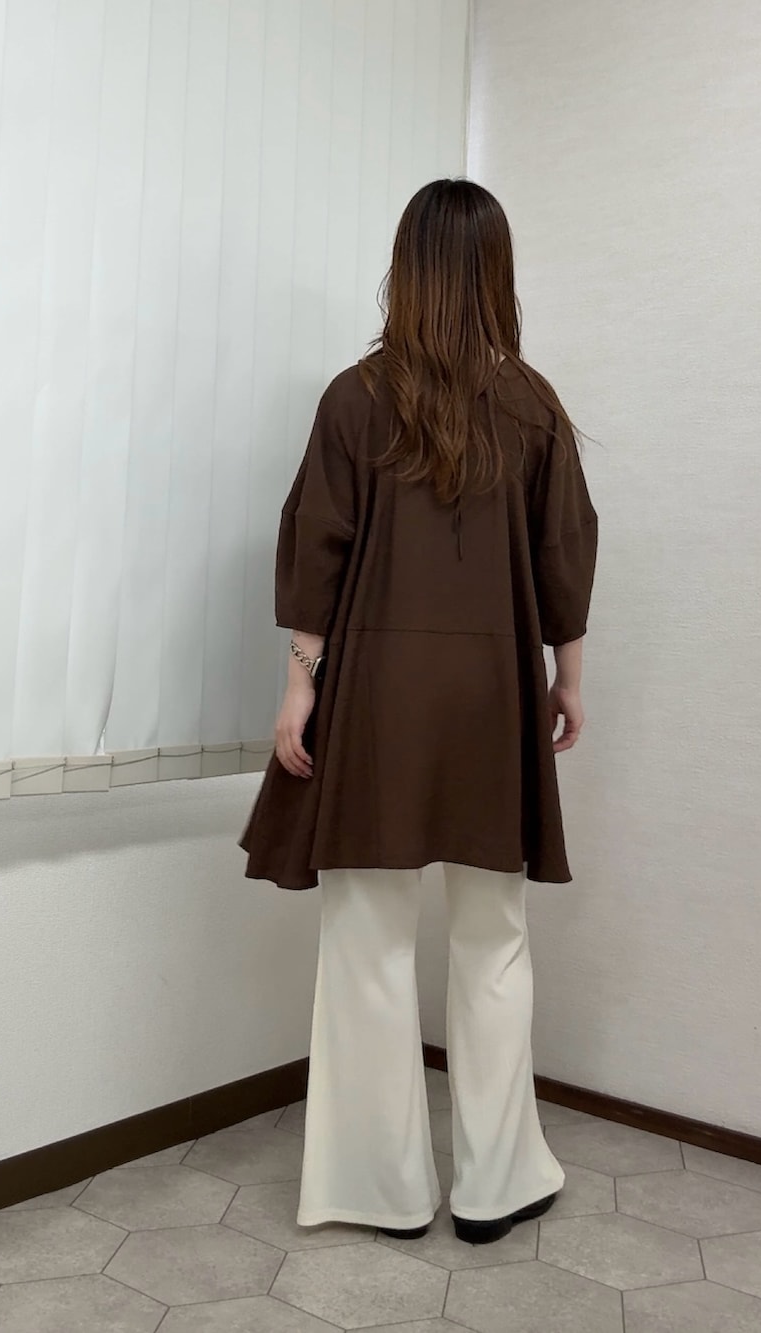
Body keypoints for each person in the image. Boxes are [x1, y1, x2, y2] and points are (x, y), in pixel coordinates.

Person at [240, 178, 598, 1245]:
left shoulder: (355, 397)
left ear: (406, 267)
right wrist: (569, 678)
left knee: (367, 937)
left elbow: (318, 544)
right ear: (495, 270)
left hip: (379, 701)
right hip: (493, 697)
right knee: (494, 937)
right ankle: (497, 1180)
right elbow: (566, 550)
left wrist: (300, 681)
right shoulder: (533, 404)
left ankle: (376, 1185)